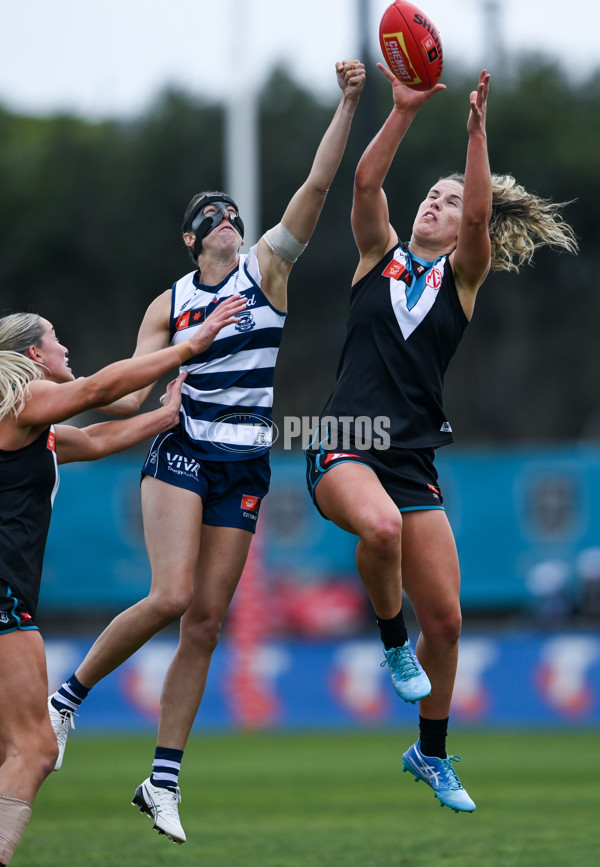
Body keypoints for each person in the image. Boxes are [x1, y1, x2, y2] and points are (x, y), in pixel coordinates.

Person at [48, 59, 366, 845]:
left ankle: (161, 780)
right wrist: (82, 396)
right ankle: (67, 698)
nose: (229, 219)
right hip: (184, 447)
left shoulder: (268, 272)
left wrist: (350, 101)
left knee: (206, 623)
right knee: (169, 595)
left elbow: (320, 188)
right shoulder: (172, 300)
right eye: (214, 216)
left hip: (246, 462)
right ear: (193, 238)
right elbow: (127, 390)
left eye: (233, 213)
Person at [305, 67, 577, 813]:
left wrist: (476, 133)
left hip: (411, 457)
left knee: (451, 622)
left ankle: (429, 752)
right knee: (382, 527)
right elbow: (364, 185)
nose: (437, 200)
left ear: (467, 227)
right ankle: (392, 640)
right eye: (434, 192)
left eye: (452, 199)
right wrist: (401, 110)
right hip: (343, 442)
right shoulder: (377, 256)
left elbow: (482, 216)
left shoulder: (463, 277)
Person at [0, 300, 244, 866]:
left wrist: (165, 416)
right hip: (3, 595)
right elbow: (94, 393)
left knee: (10, 749)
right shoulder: (22, 399)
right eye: (56, 340)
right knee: (34, 748)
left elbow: (102, 437)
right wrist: (188, 344)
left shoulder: (34, 427)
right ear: (34, 354)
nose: (66, 349)